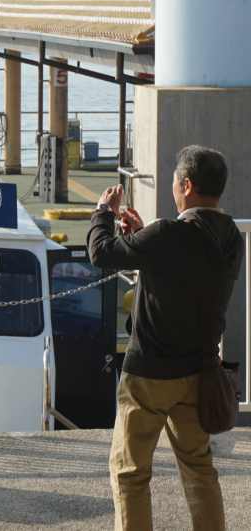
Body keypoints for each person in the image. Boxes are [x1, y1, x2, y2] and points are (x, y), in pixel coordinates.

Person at [87, 145, 244, 531]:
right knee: (199, 469)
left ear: (186, 185)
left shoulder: (167, 234)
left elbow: (100, 253)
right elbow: (187, 273)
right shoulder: (230, 237)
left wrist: (103, 212)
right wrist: (143, 237)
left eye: (175, 181)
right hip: (200, 373)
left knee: (130, 472)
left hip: (149, 376)